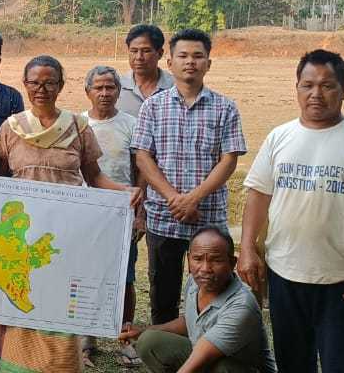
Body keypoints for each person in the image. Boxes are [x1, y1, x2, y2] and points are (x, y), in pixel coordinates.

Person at [237, 49, 344, 372]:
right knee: (294, 364)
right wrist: (246, 250)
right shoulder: (279, 138)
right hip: (285, 276)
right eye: (307, 85)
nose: (316, 94)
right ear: (296, 88)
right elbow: (258, 196)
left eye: (327, 86)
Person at [0, 55, 136, 373]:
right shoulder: (10, 128)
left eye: (49, 82)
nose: (41, 89)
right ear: (25, 86)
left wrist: (124, 192)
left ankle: (61, 365)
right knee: (23, 303)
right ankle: (17, 365)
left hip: (64, 238)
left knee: (59, 305)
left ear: (61, 85)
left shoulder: (77, 127)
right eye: (34, 83)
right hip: (23, 239)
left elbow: (94, 176)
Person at [132, 29, 247, 326]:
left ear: (209, 63)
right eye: (183, 56)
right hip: (164, 216)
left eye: (198, 56)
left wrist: (194, 198)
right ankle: (163, 353)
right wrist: (173, 197)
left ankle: (208, 351)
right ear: (169, 62)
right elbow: (143, 156)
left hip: (207, 217)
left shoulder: (225, 107)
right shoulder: (153, 106)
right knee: (162, 292)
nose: (190, 62)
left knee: (213, 289)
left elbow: (229, 159)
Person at [120, 227, 276, 373]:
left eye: (216, 260)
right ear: (189, 260)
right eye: (198, 259)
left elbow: (204, 353)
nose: (205, 268)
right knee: (149, 340)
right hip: (207, 356)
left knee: (224, 367)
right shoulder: (195, 282)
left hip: (236, 367)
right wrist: (143, 331)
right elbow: (191, 321)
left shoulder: (242, 306)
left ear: (232, 263)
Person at [83, 65, 145, 368]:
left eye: (111, 87)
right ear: (88, 92)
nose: (105, 93)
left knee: (125, 278)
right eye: (99, 88)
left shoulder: (131, 124)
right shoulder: (78, 124)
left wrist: (139, 213)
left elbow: (140, 171)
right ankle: (86, 339)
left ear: (119, 91)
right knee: (85, 275)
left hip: (122, 214)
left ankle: (126, 336)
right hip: (85, 215)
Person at [117, 25, 174, 118]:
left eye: (146, 51)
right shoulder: (116, 87)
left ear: (160, 53)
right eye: (134, 51)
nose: (139, 57)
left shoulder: (175, 87)